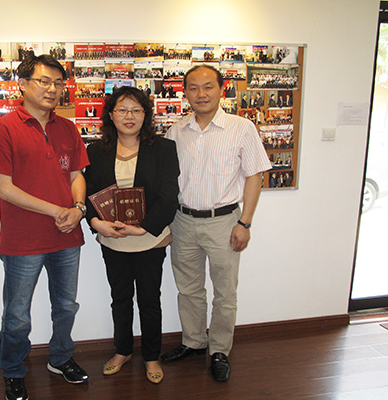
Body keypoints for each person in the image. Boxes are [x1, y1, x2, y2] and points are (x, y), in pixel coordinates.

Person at [0, 54, 90, 400]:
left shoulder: (67, 127)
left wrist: (77, 209)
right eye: (44, 81)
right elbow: (5, 188)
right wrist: (58, 210)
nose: (52, 89)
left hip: (67, 236)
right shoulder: (3, 128)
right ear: (23, 85)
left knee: (66, 306)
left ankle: (60, 358)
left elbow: (76, 175)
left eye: (58, 83)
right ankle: (13, 370)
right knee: (17, 315)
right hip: (23, 239)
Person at [162, 65, 271, 383]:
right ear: (185, 92)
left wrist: (245, 223)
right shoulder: (176, 131)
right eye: (193, 87)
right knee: (188, 288)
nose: (201, 94)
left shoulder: (241, 128)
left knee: (225, 292)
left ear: (221, 89)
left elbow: (254, 176)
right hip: (183, 221)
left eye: (208, 86)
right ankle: (194, 341)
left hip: (224, 222)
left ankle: (220, 350)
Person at [83, 86, 179, 384]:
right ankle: (122, 350)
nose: (129, 116)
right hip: (113, 239)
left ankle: (151, 356)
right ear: (111, 115)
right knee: (120, 298)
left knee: (149, 300)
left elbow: (169, 195)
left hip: (150, 238)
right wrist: (95, 222)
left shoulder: (163, 149)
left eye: (136, 110)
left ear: (146, 115)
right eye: (122, 109)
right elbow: (88, 193)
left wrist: (144, 227)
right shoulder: (95, 151)